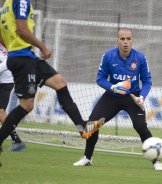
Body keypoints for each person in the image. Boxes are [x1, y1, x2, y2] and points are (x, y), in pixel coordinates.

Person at [0, 0, 104, 165]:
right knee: (27, 105)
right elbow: (21, 29)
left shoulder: (6, 4)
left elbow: (2, 35)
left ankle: (82, 128)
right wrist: (43, 47)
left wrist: (13, 49)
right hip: (23, 58)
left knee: (60, 83)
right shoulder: (20, 2)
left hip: (26, 56)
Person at [73, 28, 162, 171]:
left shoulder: (140, 58)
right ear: (117, 40)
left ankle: (156, 161)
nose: (125, 42)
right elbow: (100, 79)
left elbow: (147, 81)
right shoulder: (108, 56)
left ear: (132, 40)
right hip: (112, 96)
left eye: (128, 39)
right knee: (92, 125)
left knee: (140, 127)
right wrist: (112, 87)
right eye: (122, 39)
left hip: (132, 97)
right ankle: (87, 158)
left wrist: (141, 97)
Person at [0, 43, 26, 152]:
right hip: (6, 81)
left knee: (0, 111)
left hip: (5, 82)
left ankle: (16, 139)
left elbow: (6, 64)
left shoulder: (8, 46)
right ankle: (16, 139)